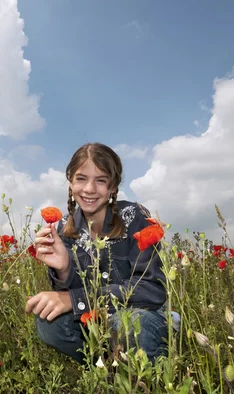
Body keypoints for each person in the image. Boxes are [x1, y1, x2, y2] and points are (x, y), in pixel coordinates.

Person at [24, 142, 168, 364]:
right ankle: (104, 368)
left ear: (113, 187)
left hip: (143, 318)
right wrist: (64, 270)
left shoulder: (134, 217)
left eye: (100, 180)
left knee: (127, 323)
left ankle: (144, 370)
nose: (89, 189)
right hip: (95, 323)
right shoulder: (63, 228)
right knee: (49, 324)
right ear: (71, 183)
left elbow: (152, 291)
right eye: (81, 178)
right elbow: (68, 301)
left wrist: (75, 299)